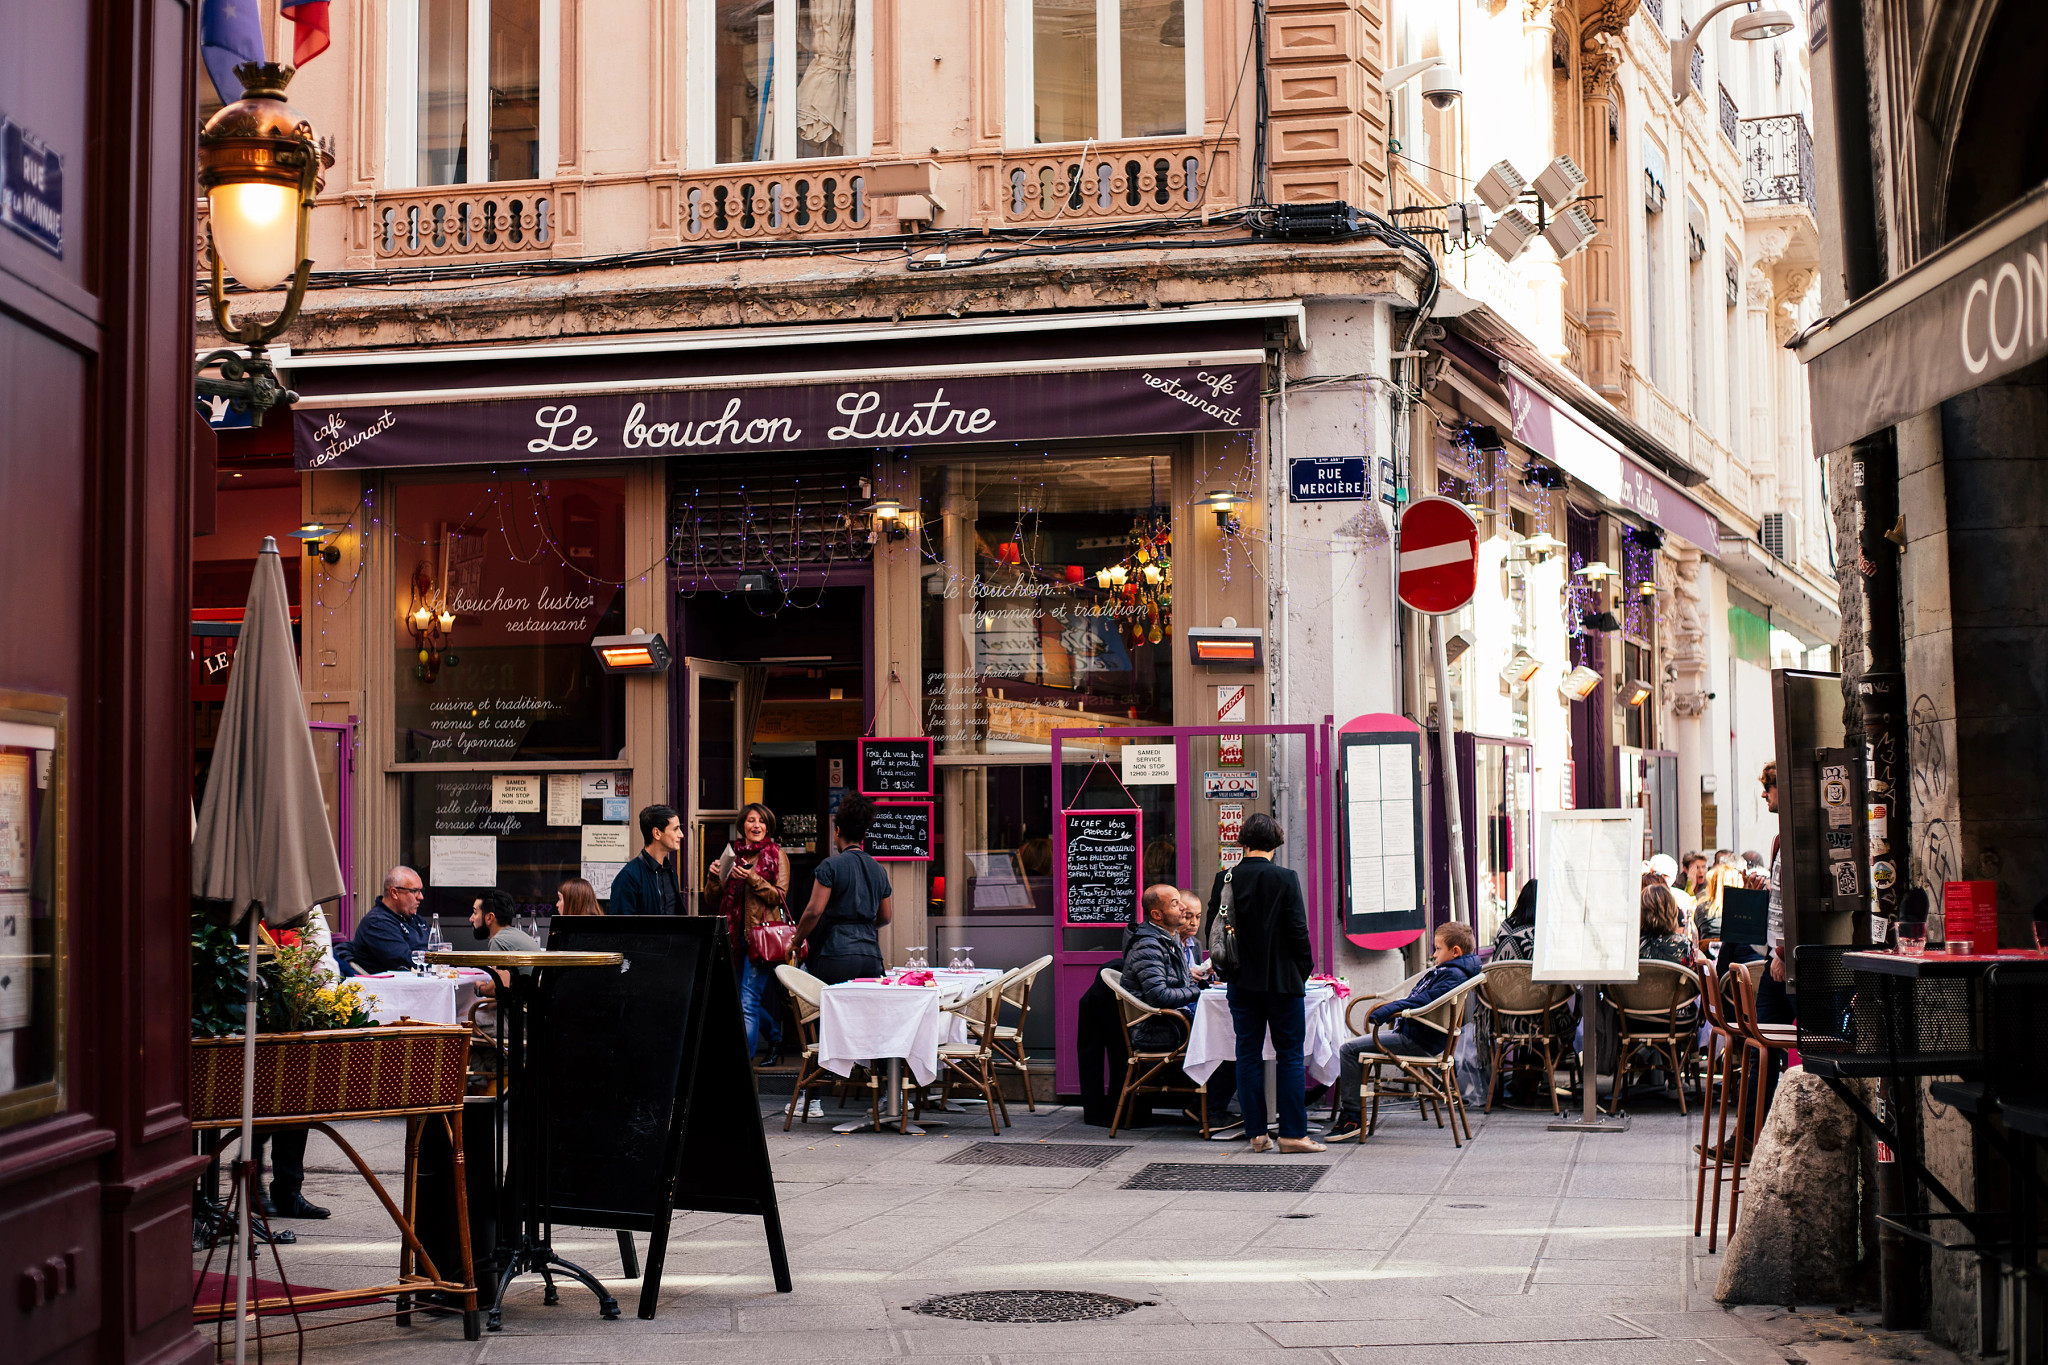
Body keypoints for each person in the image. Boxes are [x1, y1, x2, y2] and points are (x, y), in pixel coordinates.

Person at [1209, 813, 1321, 1154]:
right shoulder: (1285, 879)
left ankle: (1256, 1133)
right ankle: (1292, 1134)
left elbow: (1212, 930)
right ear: (1276, 843)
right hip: (1283, 981)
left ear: (1243, 842)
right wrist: (1303, 970)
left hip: (1241, 981)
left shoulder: (1225, 877)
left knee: (1247, 1054)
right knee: (1289, 1055)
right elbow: (1298, 931)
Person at [1327, 922, 1480, 1142]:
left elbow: (1425, 1000)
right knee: (1353, 1048)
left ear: (1455, 951)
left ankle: (1352, 1117)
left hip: (1418, 1040)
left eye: (1438, 948)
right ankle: (1354, 1112)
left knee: (1349, 1050)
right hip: (1423, 1036)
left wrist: (1392, 1009)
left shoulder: (1453, 974)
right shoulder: (1455, 970)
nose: (1434, 954)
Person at [708, 803, 792, 1061]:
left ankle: (743, 1068)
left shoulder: (777, 854)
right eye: (751, 820)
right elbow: (712, 899)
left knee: (747, 1002)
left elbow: (779, 896)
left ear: (768, 826)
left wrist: (751, 878)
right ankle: (775, 1037)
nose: (756, 826)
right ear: (742, 825)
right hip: (732, 938)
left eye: (762, 821)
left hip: (761, 939)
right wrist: (713, 877)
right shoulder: (731, 855)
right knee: (740, 1000)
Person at [793, 793, 893, 985]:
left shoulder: (829, 866)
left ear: (837, 831)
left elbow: (814, 911)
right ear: (864, 834)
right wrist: (862, 927)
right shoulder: (879, 870)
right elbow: (886, 917)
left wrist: (797, 941)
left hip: (834, 954)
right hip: (871, 956)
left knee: (833, 1012)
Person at [1122, 884, 1204, 1051]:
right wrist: (1200, 992)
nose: (1183, 907)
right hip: (1157, 1030)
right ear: (1157, 915)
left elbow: (1185, 982)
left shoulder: (1169, 939)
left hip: (1173, 1021)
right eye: (1175, 904)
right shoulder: (1148, 945)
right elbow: (1159, 996)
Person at [347, 865, 431, 976]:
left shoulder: (415, 919)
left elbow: (437, 952)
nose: (421, 897)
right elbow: (406, 963)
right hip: (391, 989)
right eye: (415, 891)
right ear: (394, 893)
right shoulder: (377, 923)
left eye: (421, 891)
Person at [609, 804, 682, 916]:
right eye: (675, 829)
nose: (681, 835)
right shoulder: (628, 877)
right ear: (657, 833)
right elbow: (621, 929)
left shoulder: (670, 873)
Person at [469, 888, 541, 996]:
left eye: (475, 913)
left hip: (522, 1011)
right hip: (535, 1007)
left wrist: (480, 988)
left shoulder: (498, 941)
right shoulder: (517, 935)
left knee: (462, 1011)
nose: (471, 919)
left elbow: (500, 989)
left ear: (489, 917)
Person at [1638, 882, 1697, 967]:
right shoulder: (1684, 945)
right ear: (1672, 911)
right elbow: (1693, 976)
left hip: (1643, 980)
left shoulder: (1634, 946)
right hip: (1674, 980)